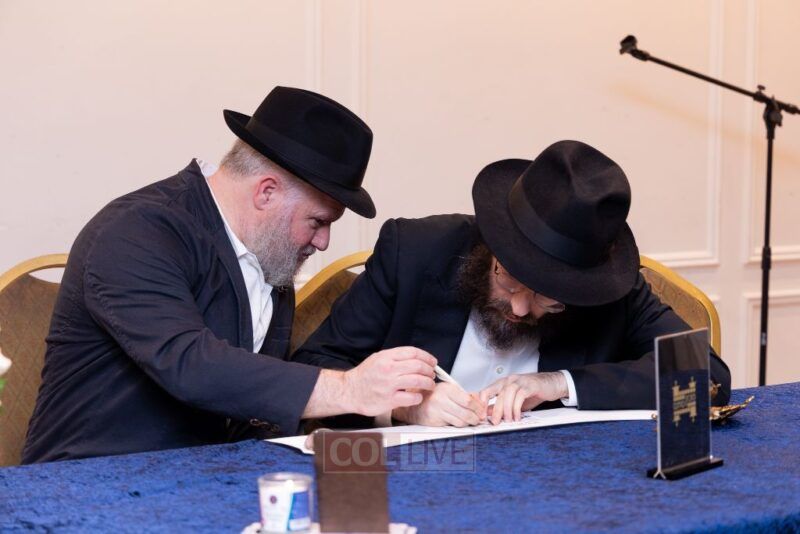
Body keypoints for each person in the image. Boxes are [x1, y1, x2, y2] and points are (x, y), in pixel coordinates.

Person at [22, 87, 436, 463]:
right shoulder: (137, 230)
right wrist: (349, 389)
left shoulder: (271, 256)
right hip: (88, 484)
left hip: (209, 481)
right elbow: (191, 364)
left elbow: (249, 408)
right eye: (318, 221)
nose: (324, 241)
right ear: (266, 192)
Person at [294, 140, 732, 427]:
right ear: (490, 248)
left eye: (549, 301)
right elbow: (314, 365)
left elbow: (707, 376)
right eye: (508, 281)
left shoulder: (610, 290)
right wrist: (403, 408)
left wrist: (559, 383)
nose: (521, 309)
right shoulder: (414, 251)